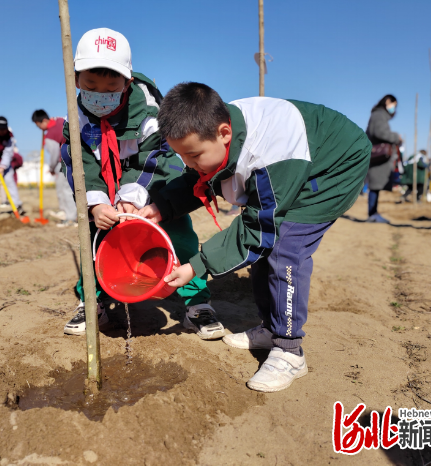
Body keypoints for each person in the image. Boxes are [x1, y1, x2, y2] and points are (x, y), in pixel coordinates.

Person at [137, 82, 371, 392]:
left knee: (285, 248)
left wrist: (197, 265)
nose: (190, 165)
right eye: (184, 157)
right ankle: (271, 328)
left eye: (193, 156)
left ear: (223, 133)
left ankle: (289, 350)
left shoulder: (270, 153)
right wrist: (160, 207)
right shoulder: (214, 133)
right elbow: (197, 178)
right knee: (267, 248)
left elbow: (257, 228)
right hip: (300, 159)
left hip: (334, 166)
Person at [60, 28, 221, 340]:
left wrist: (134, 193)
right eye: (91, 84)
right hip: (104, 190)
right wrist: (96, 204)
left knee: (178, 236)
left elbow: (156, 154)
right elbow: (78, 165)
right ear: (76, 78)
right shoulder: (74, 117)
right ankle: (95, 301)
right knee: (95, 241)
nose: (100, 93)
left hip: (153, 184)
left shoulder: (149, 110)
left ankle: (196, 304)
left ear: (127, 81)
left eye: (111, 85)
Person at [32, 109, 77, 226]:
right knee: (65, 189)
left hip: (63, 162)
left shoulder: (50, 135)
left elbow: (54, 155)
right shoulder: (61, 120)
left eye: (38, 126)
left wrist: (51, 169)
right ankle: (65, 212)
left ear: (44, 121)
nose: (40, 129)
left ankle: (71, 218)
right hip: (74, 158)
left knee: (66, 190)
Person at [365, 94, 402, 223]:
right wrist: (397, 137)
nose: (394, 108)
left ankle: (373, 213)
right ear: (387, 101)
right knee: (375, 185)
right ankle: (372, 214)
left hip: (377, 156)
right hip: (378, 157)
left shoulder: (378, 114)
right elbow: (379, 132)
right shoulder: (379, 114)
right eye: (394, 105)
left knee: (375, 186)